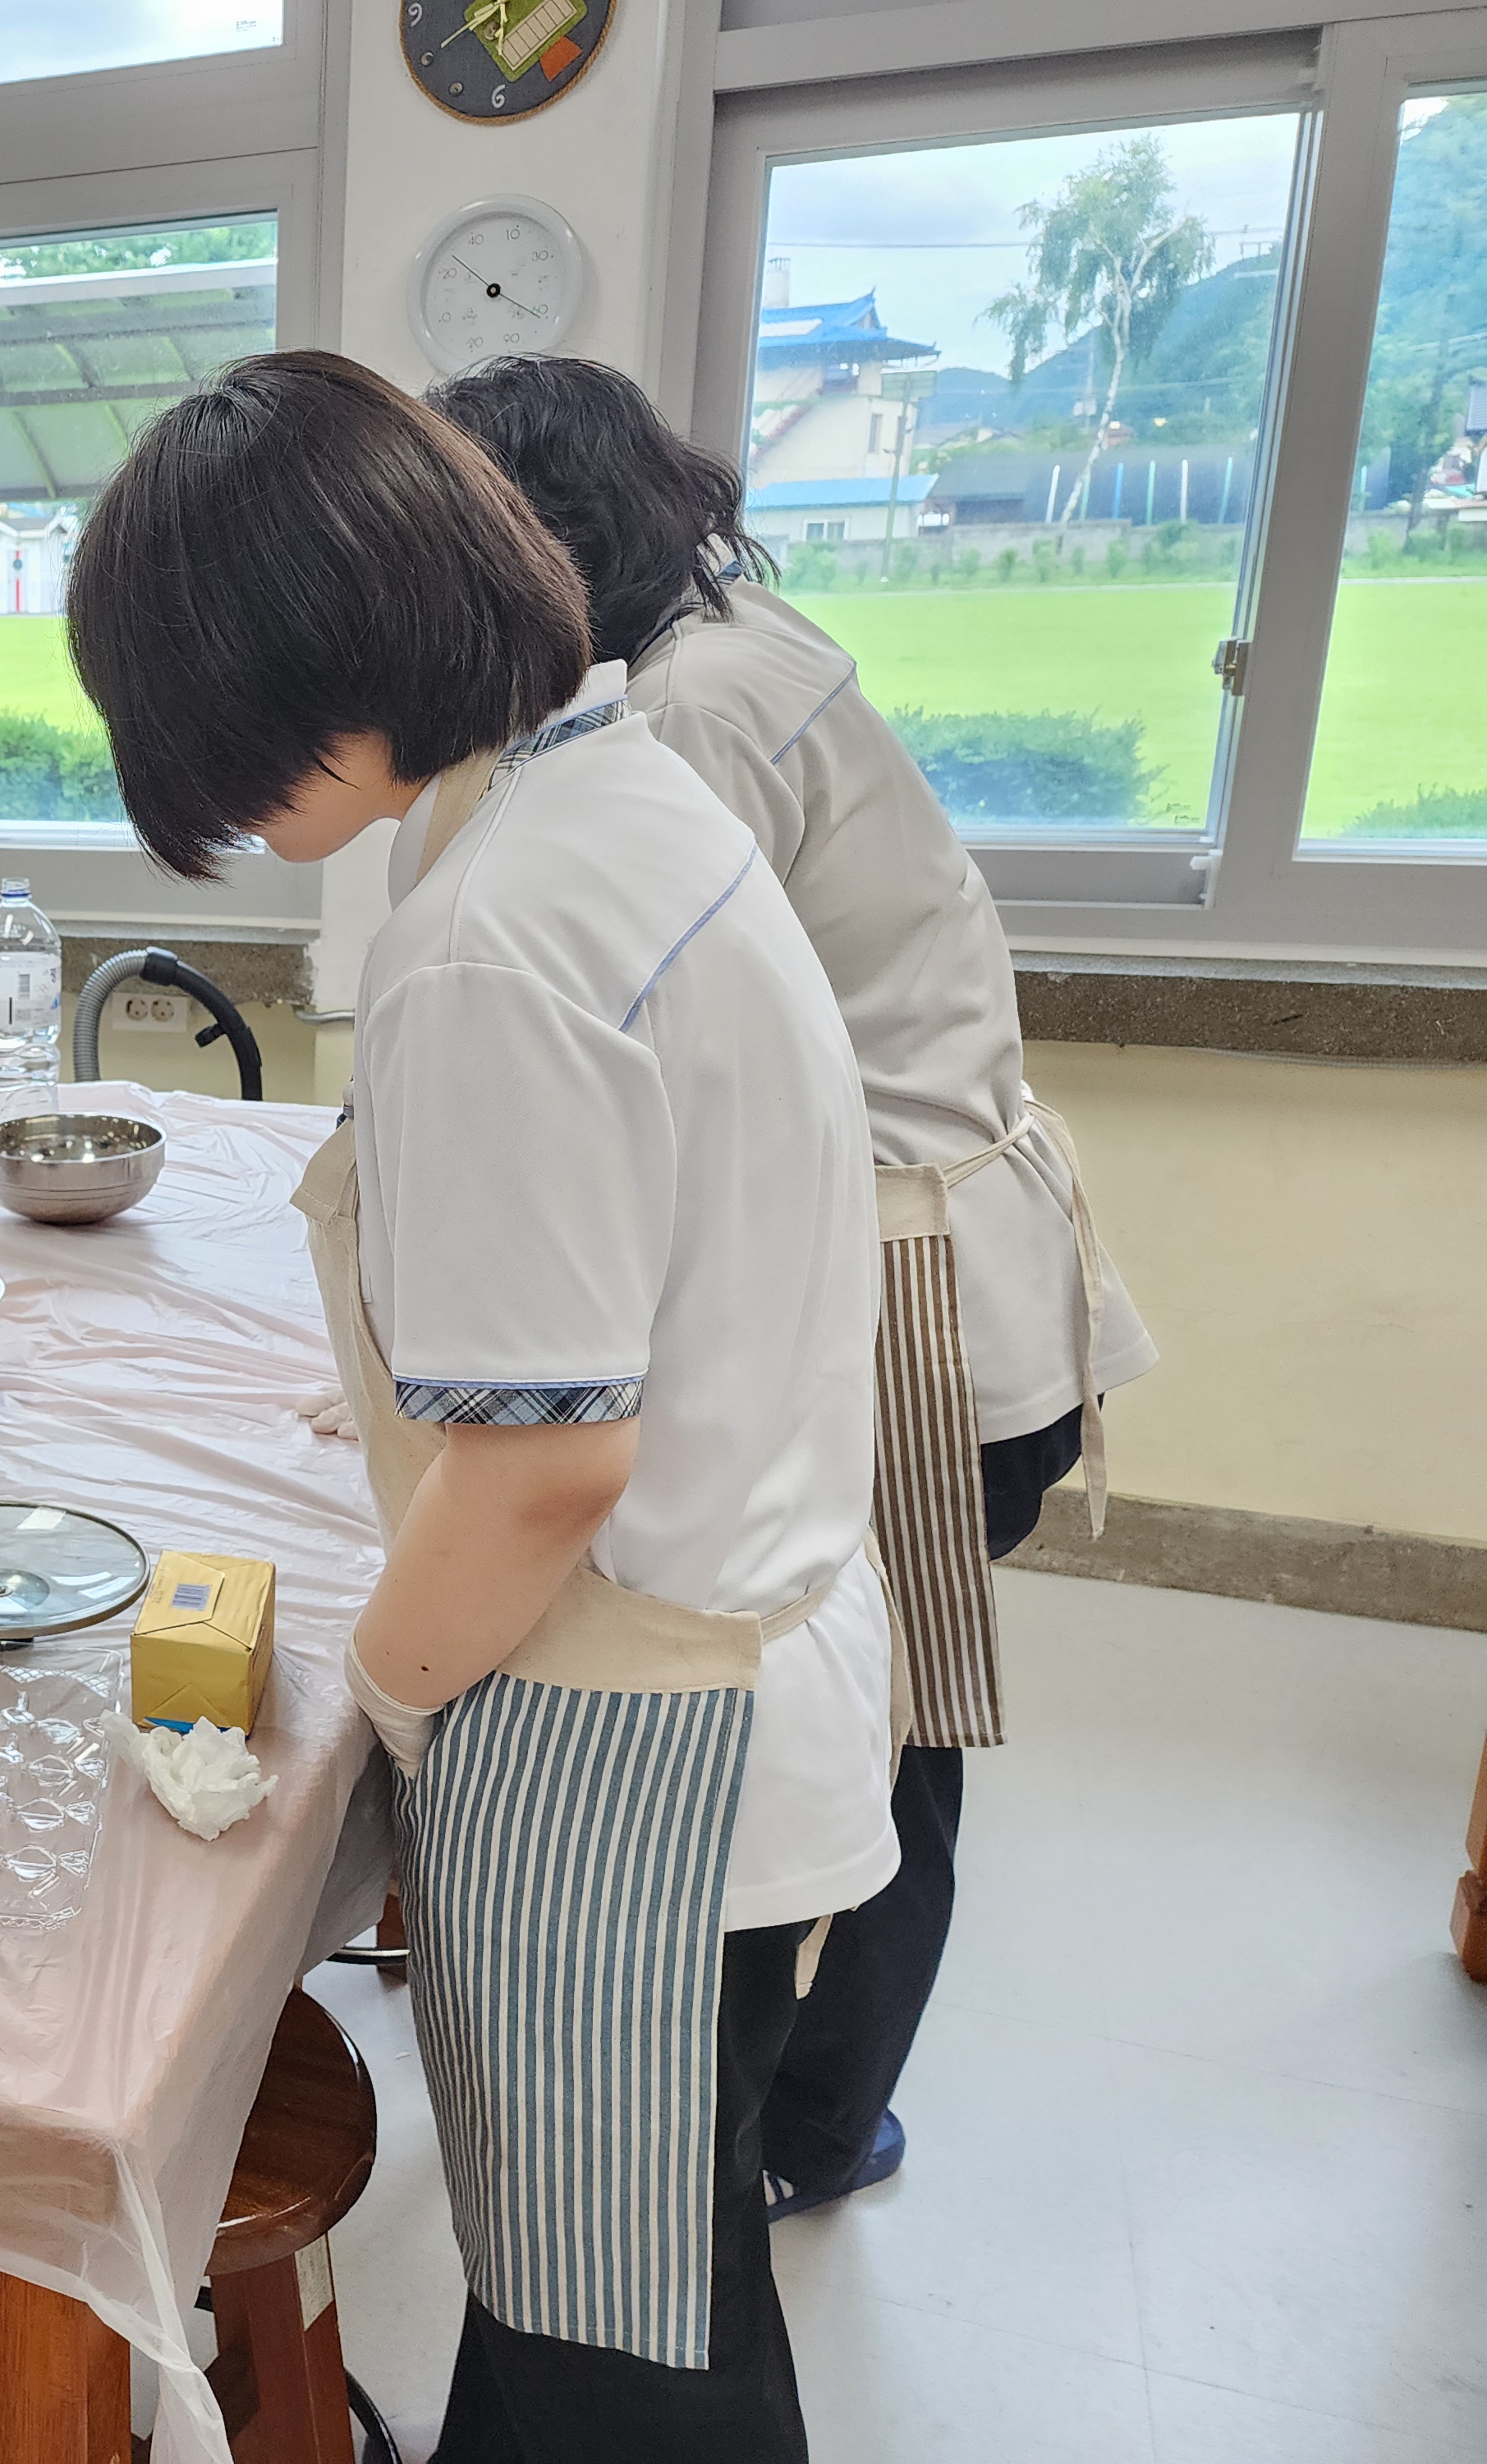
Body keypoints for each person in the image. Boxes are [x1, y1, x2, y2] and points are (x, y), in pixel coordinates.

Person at [68, 352, 898, 2461]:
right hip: (733, 1685)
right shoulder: (610, 800)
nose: (212, 797)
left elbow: (543, 1470)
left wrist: (363, 1710)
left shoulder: (488, 940)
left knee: (623, 2350)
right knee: (623, 2278)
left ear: (305, 665)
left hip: (628, 1746)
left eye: (199, 730)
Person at [429, 354, 1156, 2223]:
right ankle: (806, 2114)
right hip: (951, 1239)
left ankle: (800, 2132)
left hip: (913, 1285)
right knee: (886, 1723)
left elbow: (644, 1082)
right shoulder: (724, 635)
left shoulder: (677, 721)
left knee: (881, 1743)